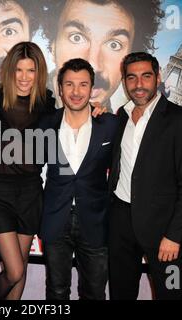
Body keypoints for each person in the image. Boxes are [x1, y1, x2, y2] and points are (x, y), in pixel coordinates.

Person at [107, 52, 182, 300]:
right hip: (121, 224)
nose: (139, 85)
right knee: (120, 293)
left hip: (164, 230)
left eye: (146, 76)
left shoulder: (181, 119)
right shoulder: (121, 116)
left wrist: (174, 235)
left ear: (158, 77)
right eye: (132, 78)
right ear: (125, 81)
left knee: (170, 294)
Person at [0, 41, 56, 300]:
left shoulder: (47, 102)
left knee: (20, 268)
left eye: (31, 70)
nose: (24, 77)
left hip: (31, 191)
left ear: (39, 72)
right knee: (12, 271)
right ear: (10, 71)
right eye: (19, 70)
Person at [39, 58, 118, 300]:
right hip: (55, 220)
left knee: (94, 292)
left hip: (95, 221)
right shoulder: (45, 124)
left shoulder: (110, 125)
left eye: (83, 84)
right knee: (56, 291)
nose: (76, 92)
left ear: (91, 88)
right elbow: (25, 166)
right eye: (69, 84)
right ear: (60, 88)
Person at [41, 0, 164, 111]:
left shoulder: (119, 128)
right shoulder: (29, 116)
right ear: (53, 46)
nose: (93, 65)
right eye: (76, 38)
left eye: (114, 45)